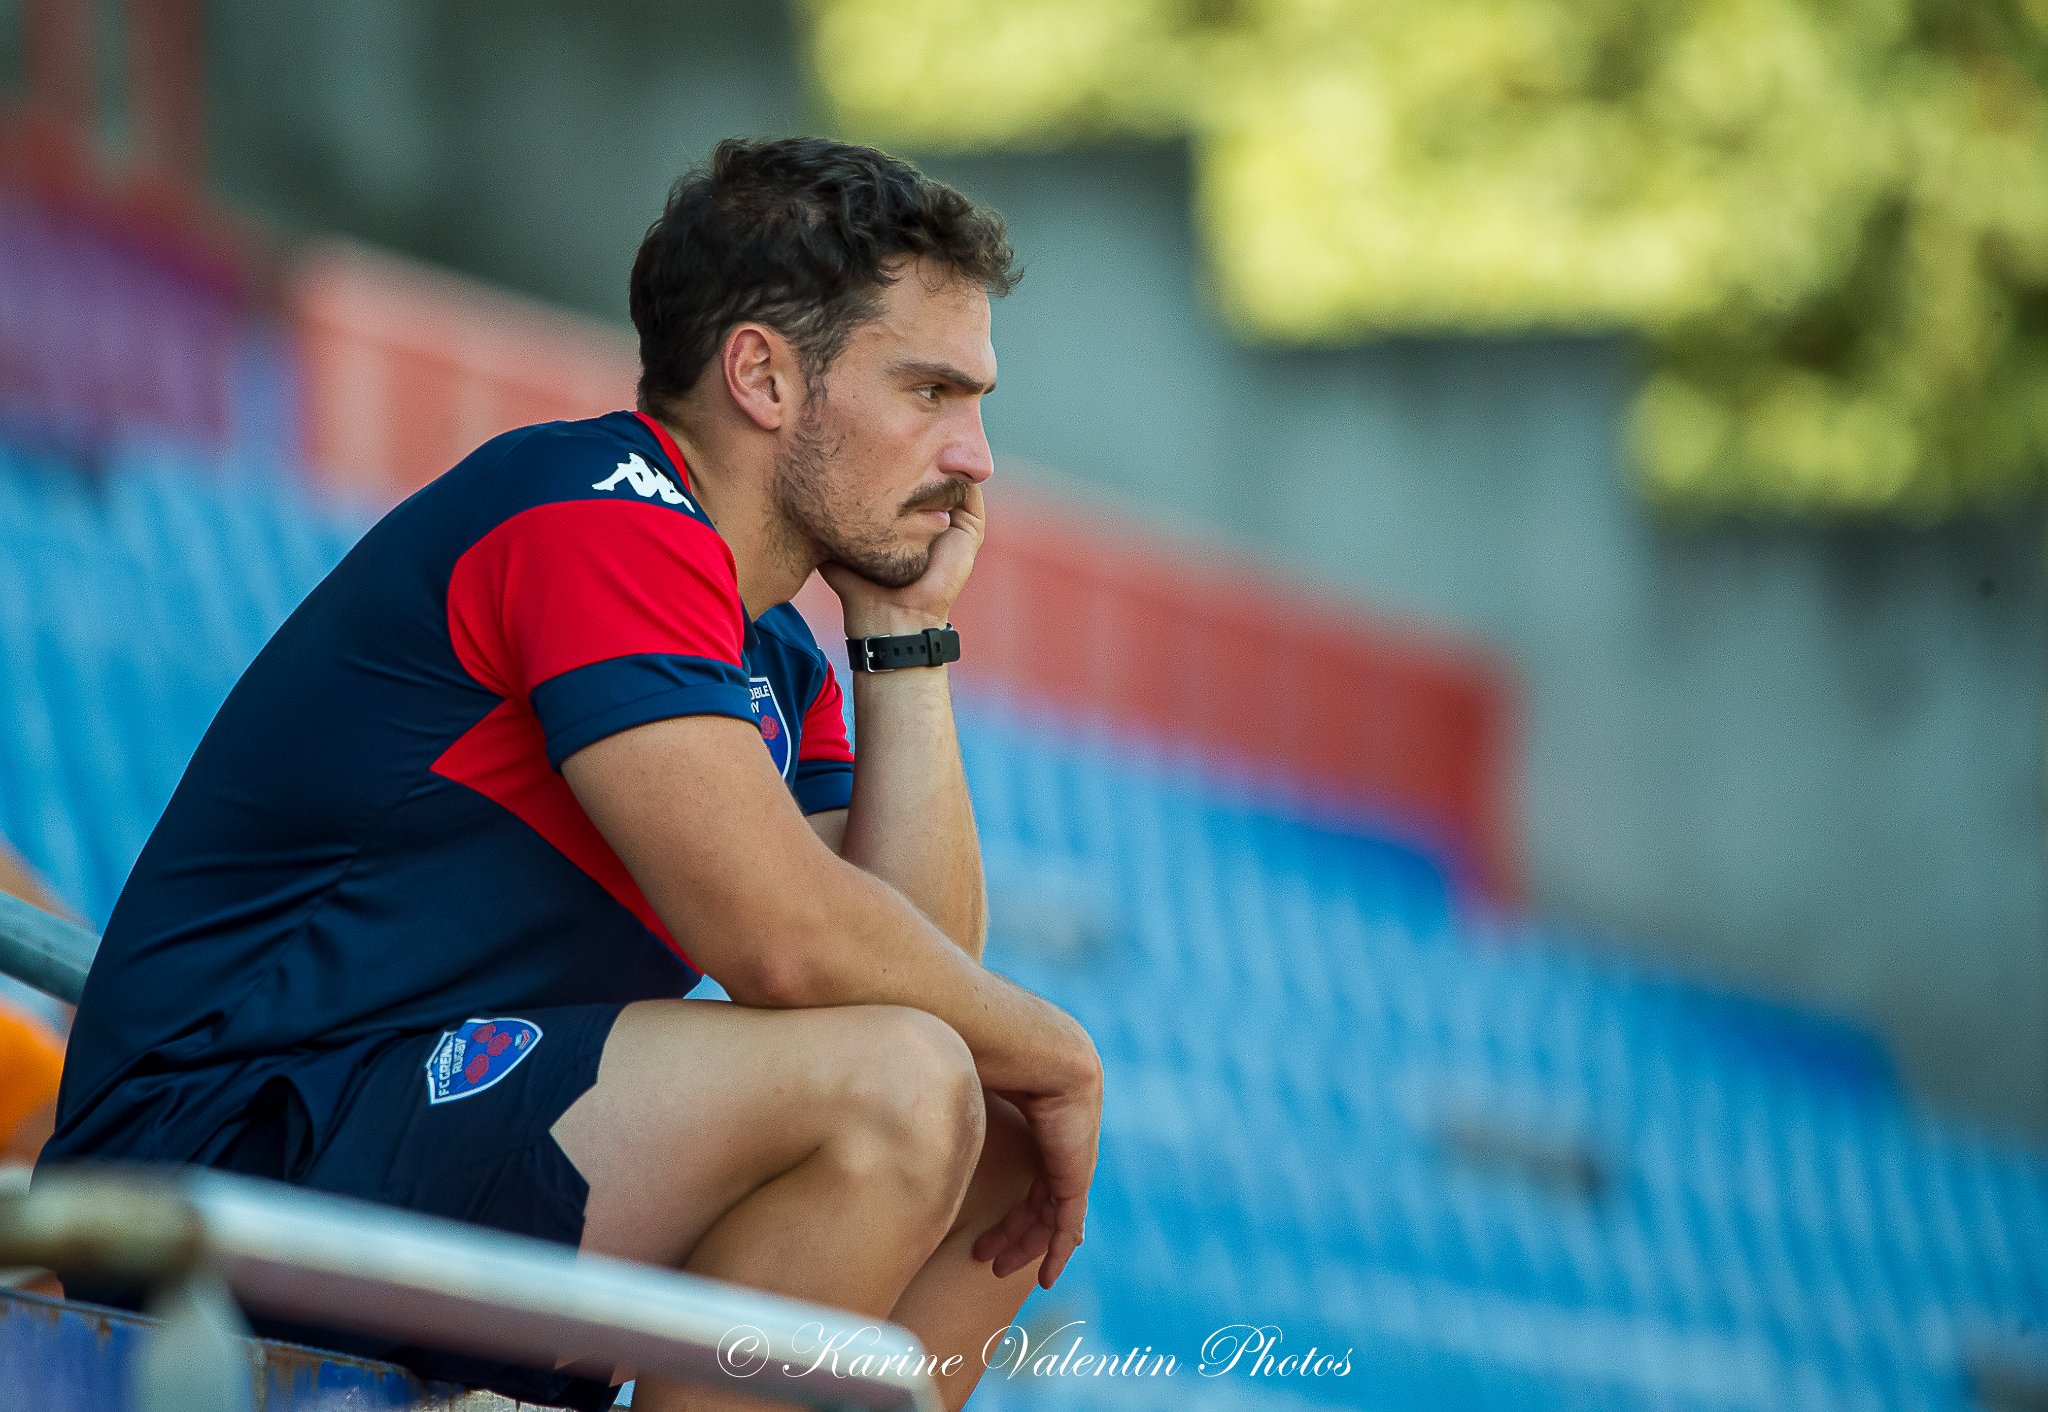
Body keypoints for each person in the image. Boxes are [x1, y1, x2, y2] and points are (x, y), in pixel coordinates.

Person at [42, 137, 1103, 1412]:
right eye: (931, 390)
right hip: (220, 1149)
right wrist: (1064, 1048)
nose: (973, 455)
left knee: (981, 1116)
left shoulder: (767, 650)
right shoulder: (596, 511)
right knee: (904, 1090)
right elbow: (778, 939)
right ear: (762, 374)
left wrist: (905, 642)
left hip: (420, 1144)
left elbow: (918, 969)